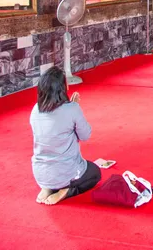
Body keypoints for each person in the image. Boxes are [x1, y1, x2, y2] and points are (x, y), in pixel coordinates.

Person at [30, 66, 101, 205]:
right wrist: (75, 109)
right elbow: (85, 135)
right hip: (66, 173)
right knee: (95, 173)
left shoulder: (35, 109)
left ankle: (47, 188)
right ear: (62, 88)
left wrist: (72, 107)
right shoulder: (72, 109)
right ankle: (66, 191)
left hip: (40, 173)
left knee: (54, 168)